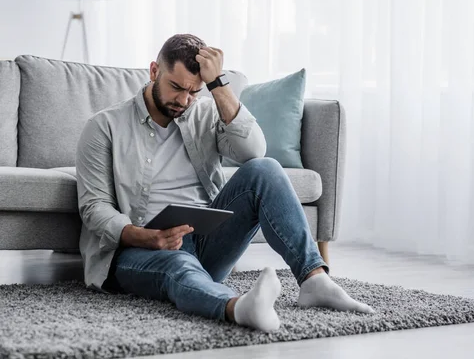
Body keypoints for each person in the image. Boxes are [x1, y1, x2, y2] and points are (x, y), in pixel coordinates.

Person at [76, 34, 374, 332]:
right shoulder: (104, 127)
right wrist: (146, 237)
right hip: (136, 251)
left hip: (203, 241)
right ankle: (237, 307)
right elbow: (94, 208)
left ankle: (314, 281)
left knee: (265, 170)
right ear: (154, 71)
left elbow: (253, 151)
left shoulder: (205, 113)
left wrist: (218, 83)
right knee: (178, 266)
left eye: (194, 91)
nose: (183, 101)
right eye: (176, 87)